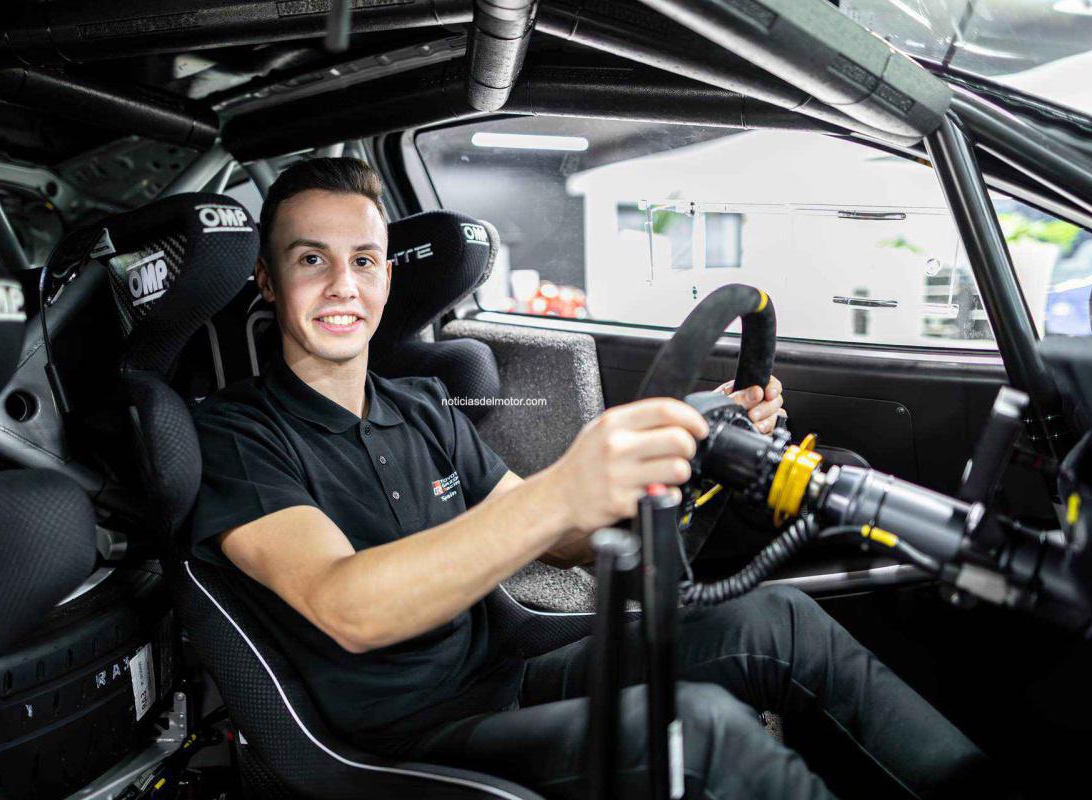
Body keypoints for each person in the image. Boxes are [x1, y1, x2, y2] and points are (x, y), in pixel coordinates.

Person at [187, 157, 995, 798]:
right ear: (268, 282)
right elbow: (349, 608)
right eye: (310, 260)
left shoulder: (422, 404)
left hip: (502, 675)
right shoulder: (236, 434)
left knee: (776, 622)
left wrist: (688, 463)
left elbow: (565, 541)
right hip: (397, 739)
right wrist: (563, 485)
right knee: (697, 731)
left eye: (363, 260)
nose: (342, 285)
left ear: (388, 278)